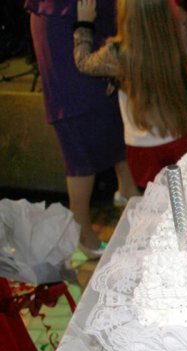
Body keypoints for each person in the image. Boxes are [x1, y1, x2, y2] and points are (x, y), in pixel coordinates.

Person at [25, 0, 140, 259]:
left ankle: (127, 189)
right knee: (78, 123)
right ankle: (80, 229)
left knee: (111, 111)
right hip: (65, 20)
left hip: (90, 24)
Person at [73, 0, 187, 191]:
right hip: (180, 134)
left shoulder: (118, 53)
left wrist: (84, 24)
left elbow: (83, 62)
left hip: (142, 146)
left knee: (154, 200)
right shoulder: (174, 40)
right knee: (184, 196)